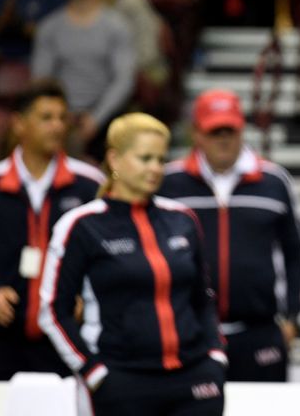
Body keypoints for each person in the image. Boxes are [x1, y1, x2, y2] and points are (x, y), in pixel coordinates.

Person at [38, 113, 226, 415]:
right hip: (120, 381)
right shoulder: (80, 225)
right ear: (114, 159)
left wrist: (215, 356)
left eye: (161, 159)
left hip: (193, 379)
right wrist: (92, 371)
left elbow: (203, 299)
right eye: (145, 158)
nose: (155, 168)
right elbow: (52, 310)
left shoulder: (183, 218)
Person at [158, 89, 300, 382]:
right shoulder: (169, 183)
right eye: (214, 131)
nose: (223, 138)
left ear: (241, 130)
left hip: (260, 331)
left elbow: (294, 252)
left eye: (230, 130)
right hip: (190, 331)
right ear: (196, 134)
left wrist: (291, 318)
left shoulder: (274, 181)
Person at [0, 79, 103, 380]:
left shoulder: (89, 185)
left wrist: (86, 294)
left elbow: (107, 255)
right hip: (0, 338)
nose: (56, 126)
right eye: (46, 117)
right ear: (18, 124)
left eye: (62, 117)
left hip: (68, 339)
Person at [31, 0, 135, 162]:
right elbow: (41, 81)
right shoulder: (49, 27)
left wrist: (96, 119)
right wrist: (62, 116)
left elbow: (124, 81)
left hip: (106, 118)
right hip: (62, 116)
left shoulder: (116, 26)